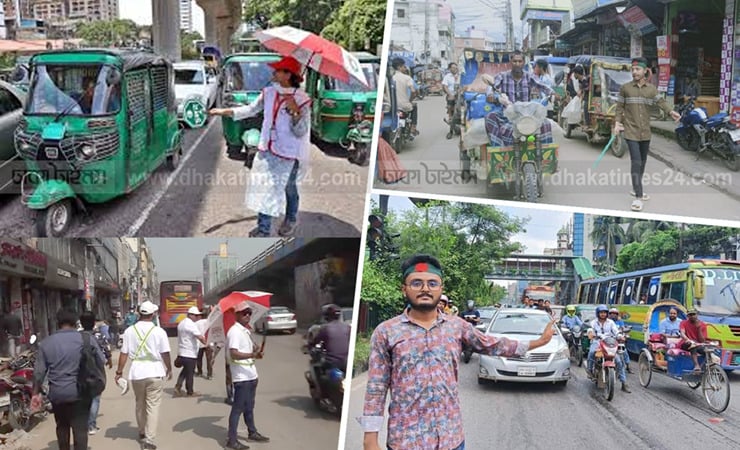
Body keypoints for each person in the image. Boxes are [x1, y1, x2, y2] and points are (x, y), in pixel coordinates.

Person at [358, 254, 556, 450]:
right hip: (406, 441)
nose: (425, 288)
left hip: (451, 438)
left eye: (432, 283)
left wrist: (539, 342)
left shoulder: (457, 327)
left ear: (441, 289)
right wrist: (370, 440)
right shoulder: (386, 332)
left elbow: (492, 345)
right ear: (404, 289)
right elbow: (377, 387)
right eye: (417, 283)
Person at [209, 56, 312, 237]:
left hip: (288, 153)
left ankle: (291, 219)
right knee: (264, 187)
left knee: (289, 189)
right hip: (266, 148)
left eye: (278, 70)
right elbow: (250, 109)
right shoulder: (269, 92)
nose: (273, 72)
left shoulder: (302, 100)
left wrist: (295, 111)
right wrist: (223, 111)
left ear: (288, 75)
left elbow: (301, 131)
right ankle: (264, 228)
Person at [614, 57, 681, 212]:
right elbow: (619, 108)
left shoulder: (651, 89)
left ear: (645, 71)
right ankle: (638, 197)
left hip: (645, 133)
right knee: (636, 162)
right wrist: (617, 123)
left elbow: (661, 103)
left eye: (637, 69)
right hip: (630, 131)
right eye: (633, 69)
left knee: (642, 163)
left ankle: (637, 187)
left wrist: (671, 112)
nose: (634, 72)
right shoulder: (625, 88)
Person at [33, 308, 105, 450]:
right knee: (80, 429)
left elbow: (39, 373)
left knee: (62, 426)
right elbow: (100, 360)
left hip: (57, 393)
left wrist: (35, 393)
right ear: (75, 322)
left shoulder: (46, 343)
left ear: (57, 322)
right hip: (81, 392)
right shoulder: (86, 339)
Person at [115, 301, 172, 450]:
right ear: (153, 314)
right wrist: (169, 368)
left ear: (139, 313)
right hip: (155, 371)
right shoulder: (159, 331)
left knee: (139, 403)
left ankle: (141, 431)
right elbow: (165, 353)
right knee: (153, 406)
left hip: (137, 372)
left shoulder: (129, 331)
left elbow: (124, 353)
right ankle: (150, 439)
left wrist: (119, 372)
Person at [483, 50, 559, 148]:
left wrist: (553, 93)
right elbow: (491, 87)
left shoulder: (529, 76)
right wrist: (490, 95)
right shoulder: (502, 76)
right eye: (515, 61)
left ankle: (545, 155)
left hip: (527, 113)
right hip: (508, 115)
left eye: (520, 61)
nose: (517, 64)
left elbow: (543, 86)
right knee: (490, 117)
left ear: (523, 63)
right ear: (511, 62)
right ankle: (499, 148)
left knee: (546, 124)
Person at [225, 302, 270, 449]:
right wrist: (253, 354)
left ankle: (252, 432)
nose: (247, 316)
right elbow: (234, 353)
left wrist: (257, 350)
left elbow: (253, 349)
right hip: (241, 377)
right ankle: (231, 441)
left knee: (250, 406)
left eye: (249, 313)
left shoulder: (246, 331)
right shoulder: (234, 332)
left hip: (251, 375)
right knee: (238, 408)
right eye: (244, 313)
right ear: (236, 314)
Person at [79, 311, 112, 436]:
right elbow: (105, 350)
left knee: (84, 397)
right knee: (95, 398)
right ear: (93, 323)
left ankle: (84, 423)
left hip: (81, 371)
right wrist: (108, 360)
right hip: (96, 370)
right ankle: (91, 425)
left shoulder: (77, 336)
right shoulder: (98, 335)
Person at [587, 305, 631, 393]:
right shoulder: (594, 322)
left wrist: (620, 336)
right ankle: (590, 370)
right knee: (592, 352)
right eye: (601, 313)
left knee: (618, 361)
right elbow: (590, 329)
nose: (603, 314)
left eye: (604, 313)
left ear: (607, 314)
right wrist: (590, 333)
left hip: (610, 342)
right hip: (597, 341)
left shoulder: (611, 322)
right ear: (598, 313)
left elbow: (616, 331)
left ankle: (624, 383)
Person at [174, 306, 206, 397]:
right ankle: (190, 392)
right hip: (190, 353)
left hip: (181, 352)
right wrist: (206, 343)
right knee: (190, 374)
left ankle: (178, 386)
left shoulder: (181, 323)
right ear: (190, 315)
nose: (197, 317)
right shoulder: (191, 325)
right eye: (195, 315)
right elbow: (199, 337)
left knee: (185, 371)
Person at [312, 304, 351, 373]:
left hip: (332, 363)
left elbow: (316, 341)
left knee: (317, 367)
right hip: (347, 362)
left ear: (327, 316)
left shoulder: (325, 328)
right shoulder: (348, 327)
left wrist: (310, 345)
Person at [390, 58, 418, 137]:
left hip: (393, 107)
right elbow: (413, 91)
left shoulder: (391, 78)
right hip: (405, 105)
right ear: (399, 67)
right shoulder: (407, 78)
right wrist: (410, 100)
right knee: (414, 106)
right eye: (403, 66)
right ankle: (413, 128)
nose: (405, 68)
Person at [442, 62, 460, 139]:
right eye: (453, 67)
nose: (455, 69)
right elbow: (445, 86)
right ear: (450, 69)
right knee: (453, 112)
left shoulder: (460, 76)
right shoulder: (447, 77)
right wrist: (450, 94)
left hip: (460, 96)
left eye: (456, 67)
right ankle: (450, 131)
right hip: (451, 96)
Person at [196, 307, 214, 380]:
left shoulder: (197, 323)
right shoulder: (210, 322)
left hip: (200, 343)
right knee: (209, 359)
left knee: (199, 359)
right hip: (209, 342)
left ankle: (200, 372)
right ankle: (209, 375)